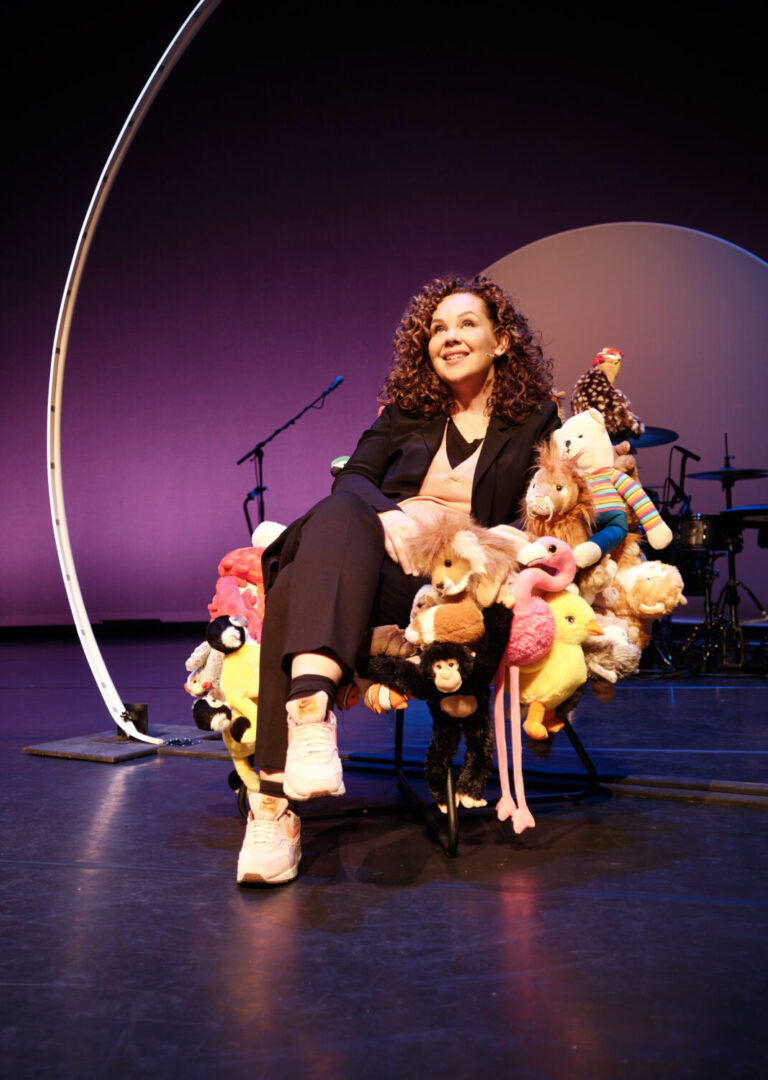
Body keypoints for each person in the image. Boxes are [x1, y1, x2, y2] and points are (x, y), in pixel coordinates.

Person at [236, 274, 559, 885]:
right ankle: (309, 721)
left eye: (467, 324)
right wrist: (390, 517)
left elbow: (541, 512)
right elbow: (354, 477)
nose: (449, 337)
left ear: (501, 341)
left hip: (448, 587)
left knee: (296, 578)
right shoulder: (406, 415)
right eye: (437, 328)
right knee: (338, 513)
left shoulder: (535, 419)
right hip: (379, 562)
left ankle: (274, 801)